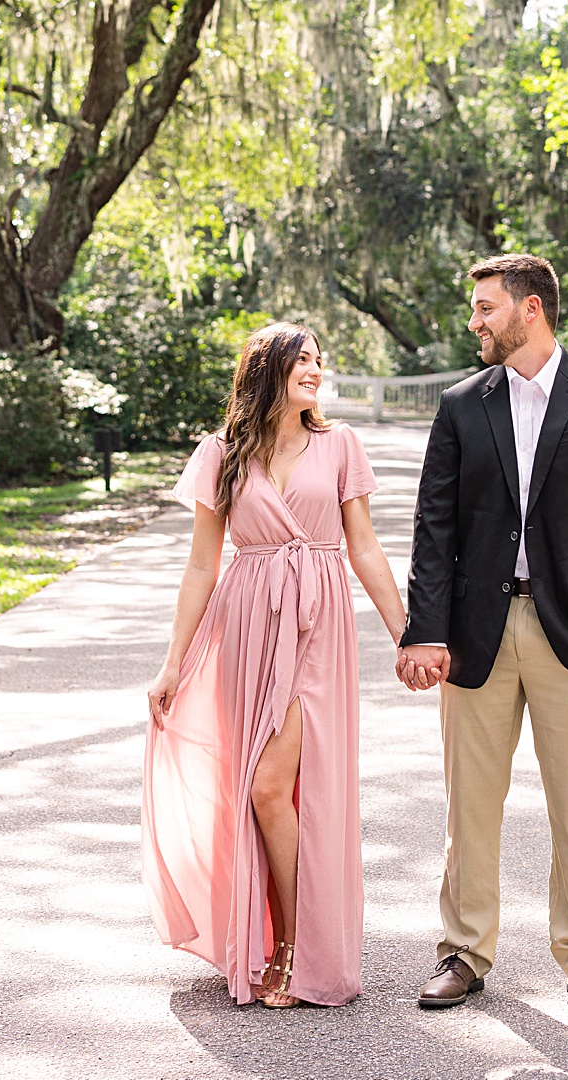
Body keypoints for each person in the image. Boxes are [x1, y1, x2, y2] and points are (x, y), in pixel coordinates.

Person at [397, 254, 568, 1013]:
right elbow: (432, 528)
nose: (474, 322)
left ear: (530, 309)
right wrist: (426, 630)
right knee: (469, 803)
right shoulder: (459, 405)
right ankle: (464, 951)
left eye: (484, 308)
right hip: (476, 634)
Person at [141, 321, 412, 1008]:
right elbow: (203, 563)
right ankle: (270, 939)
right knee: (262, 790)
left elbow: (365, 548)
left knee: (275, 786)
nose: (316, 370)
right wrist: (172, 662)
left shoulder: (340, 444)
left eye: (321, 360)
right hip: (247, 624)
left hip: (317, 623)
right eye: (303, 361)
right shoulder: (222, 453)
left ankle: (294, 946)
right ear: (268, 369)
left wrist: (408, 632)